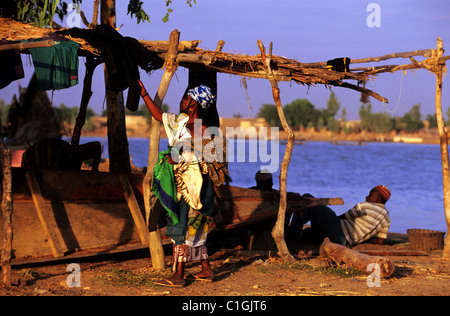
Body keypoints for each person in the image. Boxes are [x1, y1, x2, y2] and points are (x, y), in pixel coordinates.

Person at [139, 80, 224, 287]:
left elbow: (210, 165)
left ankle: (178, 275)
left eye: (187, 97)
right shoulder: (179, 123)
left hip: (195, 188)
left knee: (183, 228)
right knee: (193, 229)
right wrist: (144, 95)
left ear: (194, 104)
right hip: (182, 184)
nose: (182, 99)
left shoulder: (206, 132)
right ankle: (206, 268)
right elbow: (159, 115)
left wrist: (181, 158)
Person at [289, 185, 391, 246]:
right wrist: (365, 237)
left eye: (370, 195)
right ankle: (300, 230)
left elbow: (343, 217)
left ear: (378, 199)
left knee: (307, 198)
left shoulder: (365, 206)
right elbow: (381, 241)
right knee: (308, 232)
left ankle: (292, 233)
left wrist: (325, 218)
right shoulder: (387, 219)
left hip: (339, 231)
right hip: (343, 242)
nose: (366, 197)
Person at [21, 138, 101, 171]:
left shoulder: (65, 150)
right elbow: (96, 145)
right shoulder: (66, 153)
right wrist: (95, 169)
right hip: (32, 162)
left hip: (31, 161)